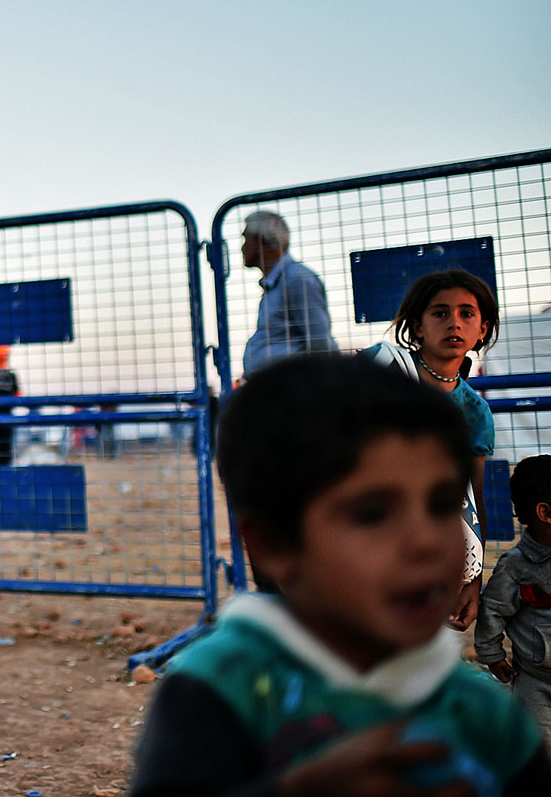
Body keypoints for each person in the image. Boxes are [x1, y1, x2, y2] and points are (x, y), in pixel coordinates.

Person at [130, 356, 551, 796]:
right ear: (274, 544)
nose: (426, 542)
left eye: (443, 505)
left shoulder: (478, 709)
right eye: (373, 514)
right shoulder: (218, 691)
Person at [362, 268, 500, 631]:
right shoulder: (383, 367)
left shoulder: (475, 411)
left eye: (466, 314)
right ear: (418, 326)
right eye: (440, 313)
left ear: (481, 330)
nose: (454, 322)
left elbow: (473, 498)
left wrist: (473, 579)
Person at [477, 454, 551, 744]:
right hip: (536, 683)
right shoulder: (515, 566)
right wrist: (492, 656)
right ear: (546, 513)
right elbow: (493, 611)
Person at [239, 210, 337, 377]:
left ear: (262, 240)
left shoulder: (297, 280)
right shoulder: (279, 282)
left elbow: (320, 344)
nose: (243, 247)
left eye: (247, 238)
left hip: (292, 390)